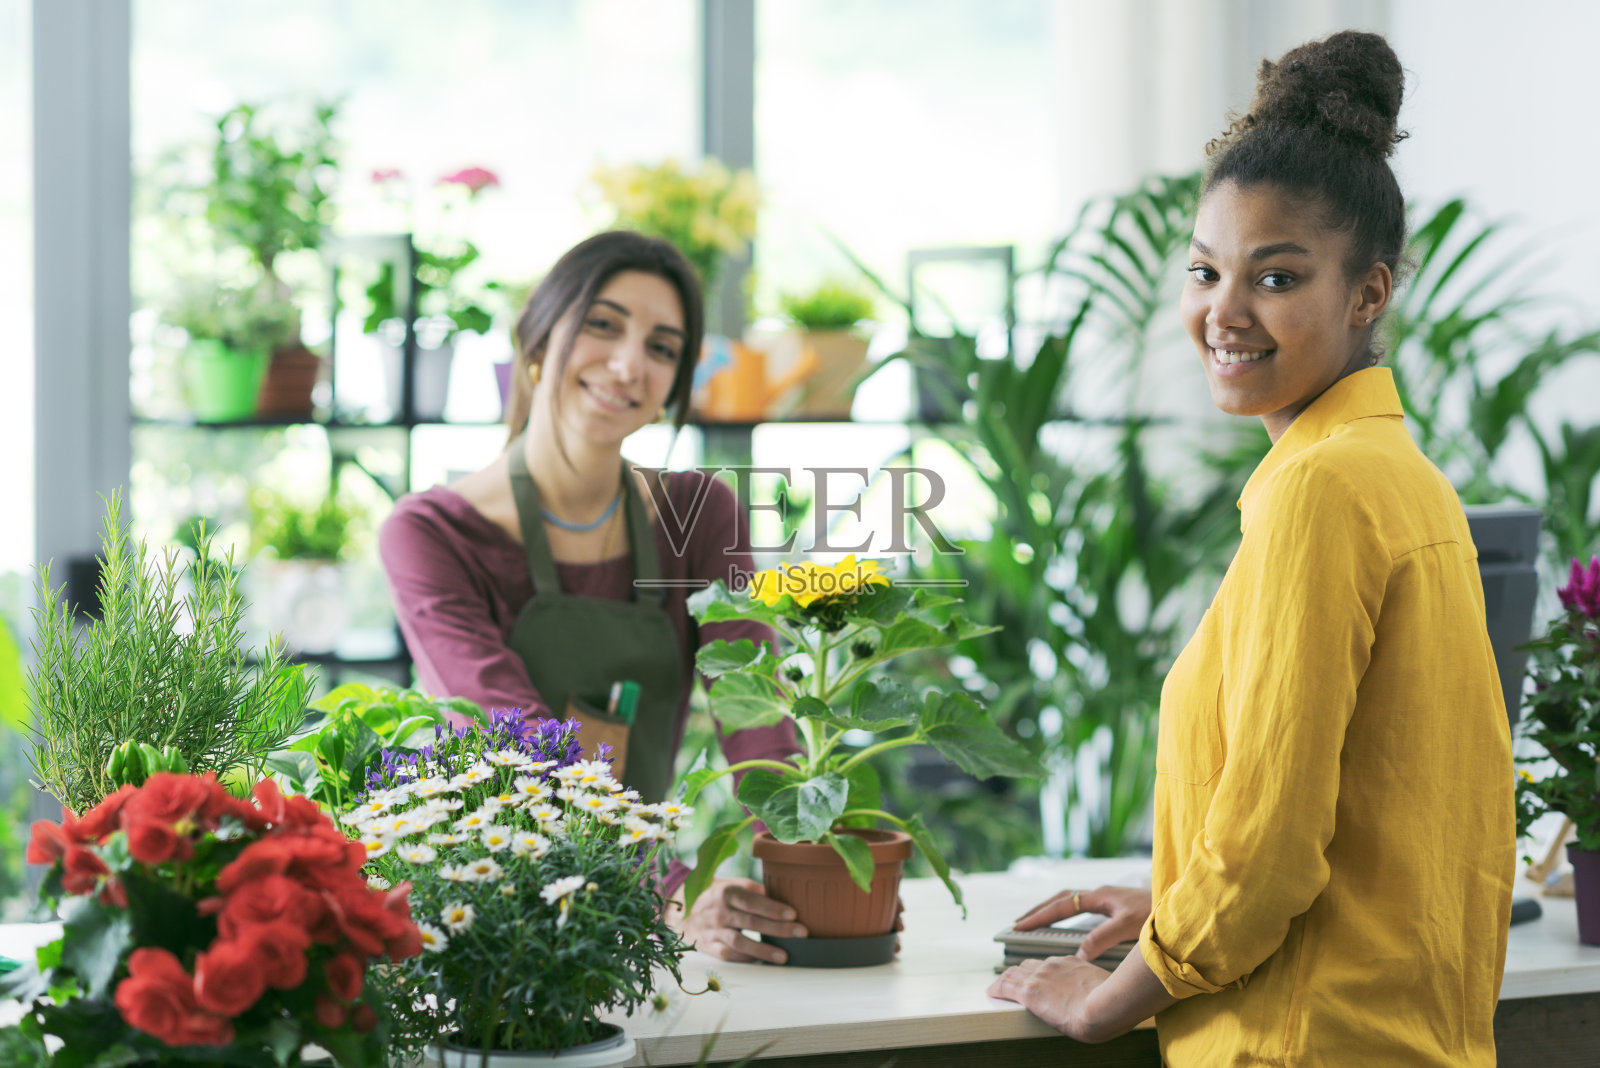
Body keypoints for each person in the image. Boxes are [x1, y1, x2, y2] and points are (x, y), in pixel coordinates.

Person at [988, 31, 1515, 1065]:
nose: (1221, 313)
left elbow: (1269, 855)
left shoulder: (1323, 489)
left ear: (1368, 294)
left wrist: (1106, 1000)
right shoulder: (1399, 479)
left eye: (1274, 278)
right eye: (1203, 270)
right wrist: (1173, 894)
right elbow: (1385, 824)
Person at [379, 230, 809, 964]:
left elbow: (755, 714)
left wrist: (807, 870)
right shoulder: (432, 535)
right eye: (603, 325)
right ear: (537, 340)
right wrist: (674, 895)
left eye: (663, 347)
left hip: (638, 930)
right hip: (485, 922)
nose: (628, 363)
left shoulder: (699, 517)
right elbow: (514, 744)